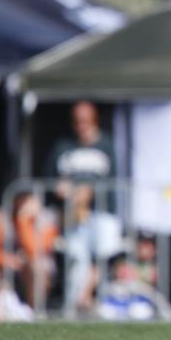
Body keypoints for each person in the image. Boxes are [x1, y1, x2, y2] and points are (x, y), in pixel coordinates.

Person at [44, 100, 121, 313]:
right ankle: (77, 304)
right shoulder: (64, 147)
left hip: (102, 212)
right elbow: (48, 180)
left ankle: (87, 296)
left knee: (106, 252)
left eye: (86, 120)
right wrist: (60, 189)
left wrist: (88, 191)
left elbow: (113, 180)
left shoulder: (106, 145)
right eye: (77, 121)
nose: (81, 125)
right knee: (76, 260)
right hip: (72, 216)